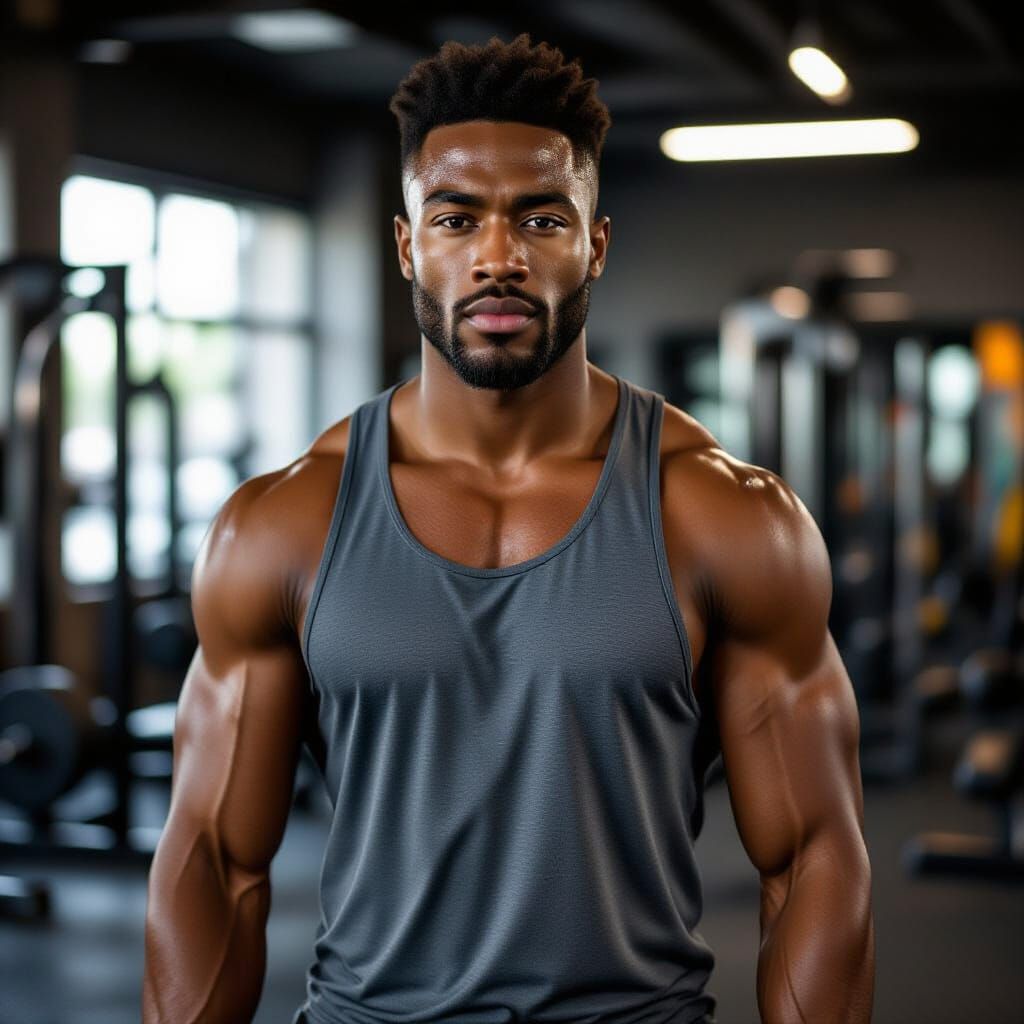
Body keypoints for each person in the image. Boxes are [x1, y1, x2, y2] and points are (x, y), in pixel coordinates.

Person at [143, 33, 875, 1024]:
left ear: (594, 244)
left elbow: (813, 857)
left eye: (540, 218)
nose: (498, 257)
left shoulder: (724, 516)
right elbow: (217, 867)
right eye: (455, 219)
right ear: (407, 244)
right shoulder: (283, 526)